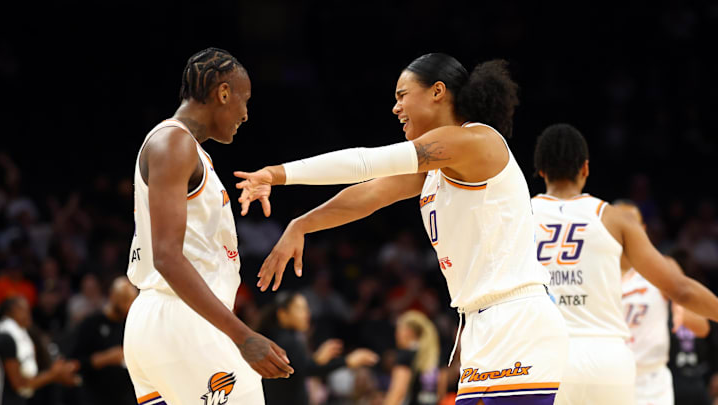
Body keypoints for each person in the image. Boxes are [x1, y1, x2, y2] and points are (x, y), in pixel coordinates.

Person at [236, 53, 569, 404]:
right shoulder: (437, 169)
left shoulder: (474, 142)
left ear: (437, 91)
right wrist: (302, 223)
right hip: (479, 322)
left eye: (401, 95)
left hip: (516, 318)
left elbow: (366, 161)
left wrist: (276, 173)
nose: (396, 108)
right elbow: (368, 195)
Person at [123, 47, 293, 405]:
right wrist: (244, 336)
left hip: (159, 323)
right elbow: (167, 257)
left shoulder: (184, 148)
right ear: (223, 92)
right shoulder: (174, 142)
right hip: (183, 322)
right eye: (244, 101)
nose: (245, 114)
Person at [530, 123, 718, 405]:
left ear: (541, 170)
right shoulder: (615, 218)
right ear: (585, 168)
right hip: (606, 360)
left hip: (543, 357)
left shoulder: (518, 215)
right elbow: (682, 290)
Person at [616, 201, 709, 405]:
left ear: (642, 229)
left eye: (631, 223)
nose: (624, 229)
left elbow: (702, 327)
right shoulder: (597, 270)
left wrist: (680, 310)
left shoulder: (662, 268)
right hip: (611, 377)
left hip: (651, 381)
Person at [258, 291, 378, 405]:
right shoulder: (286, 341)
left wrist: (316, 360)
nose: (307, 314)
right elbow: (307, 369)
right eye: (300, 309)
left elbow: (299, 369)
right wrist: (348, 361)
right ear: (283, 314)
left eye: (306, 308)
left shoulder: (278, 338)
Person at [70, 276, 138, 405]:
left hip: (128, 397)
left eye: (130, 300)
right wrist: (106, 358)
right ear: (112, 296)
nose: (127, 304)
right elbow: (75, 363)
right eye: (123, 299)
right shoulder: (91, 323)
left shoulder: (134, 324)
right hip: (96, 396)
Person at [0, 296, 78, 405]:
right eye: (23, 310)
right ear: (10, 312)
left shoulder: (26, 334)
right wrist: (53, 375)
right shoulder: (5, 337)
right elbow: (19, 385)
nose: (28, 315)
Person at [384, 310, 440, 405]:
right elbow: (440, 393)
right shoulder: (434, 355)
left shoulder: (406, 355)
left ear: (408, 332)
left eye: (398, 330)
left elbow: (398, 392)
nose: (396, 335)